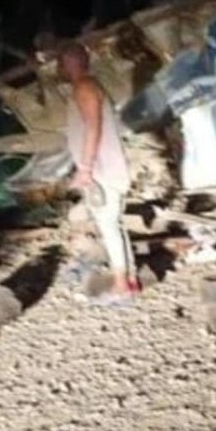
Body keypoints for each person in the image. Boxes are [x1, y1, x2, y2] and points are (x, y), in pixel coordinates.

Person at [57, 41, 137, 301]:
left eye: (61, 62)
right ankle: (129, 280)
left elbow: (93, 127)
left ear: (69, 64)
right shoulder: (88, 86)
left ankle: (122, 286)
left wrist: (86, 168)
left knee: (108, 224)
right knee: (113, 223)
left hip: (101, 168)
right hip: (102, 166)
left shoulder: (84, 88)